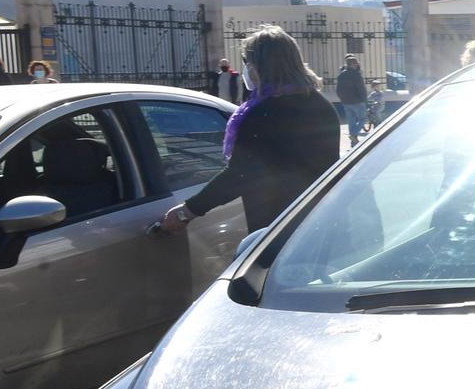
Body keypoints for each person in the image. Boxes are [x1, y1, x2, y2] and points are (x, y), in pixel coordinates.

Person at [154, 25, 339, 234]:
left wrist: (186, 211)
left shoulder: (263, 112)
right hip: (318, 218)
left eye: (246, 62)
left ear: (258, 67)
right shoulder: (319, 103)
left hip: (276, 226)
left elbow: (240, 174)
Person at [334, 55, 369, 144]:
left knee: (351, 121)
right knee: (363, 119)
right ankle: (354, 134)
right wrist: (364, 99)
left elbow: (338, 89)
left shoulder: (341, 75)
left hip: (346, 102)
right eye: (356, 63)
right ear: (354, 64)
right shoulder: (356, 75)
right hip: (357, 101)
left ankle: (353, 139)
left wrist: (342, 98)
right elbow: (361, 89)